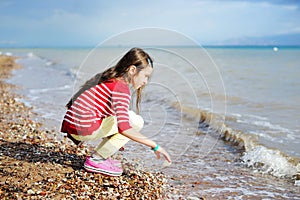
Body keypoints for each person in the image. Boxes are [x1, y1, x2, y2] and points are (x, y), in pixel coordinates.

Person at [61, 47, 171, 176]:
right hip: (82, 129)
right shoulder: (121, 88)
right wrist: (155, 146)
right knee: (136, 122)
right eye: (145, 76)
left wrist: (113, 138)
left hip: (73, 125)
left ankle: (101, 156)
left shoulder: (110, 79)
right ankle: (97, 160)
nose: (145, 81)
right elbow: (124, 128)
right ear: (132, 70)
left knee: (128, 116)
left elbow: (100, 109)